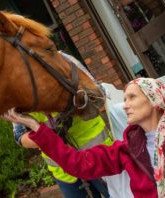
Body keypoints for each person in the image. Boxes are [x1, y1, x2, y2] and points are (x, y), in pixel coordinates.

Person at [2, 78, 165, 198]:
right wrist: (35, 126)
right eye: (124, 99)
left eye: (131, 98)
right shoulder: (128, 150)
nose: (124, 105)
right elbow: (79, 164)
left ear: (154, 100)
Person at [7, 51, 112, 198]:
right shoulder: (14, 91)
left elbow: (99, 93)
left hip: (99, 154)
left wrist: (74, 102)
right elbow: (19, 137)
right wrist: (45, 135)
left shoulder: (62, 60)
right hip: (64, 171)